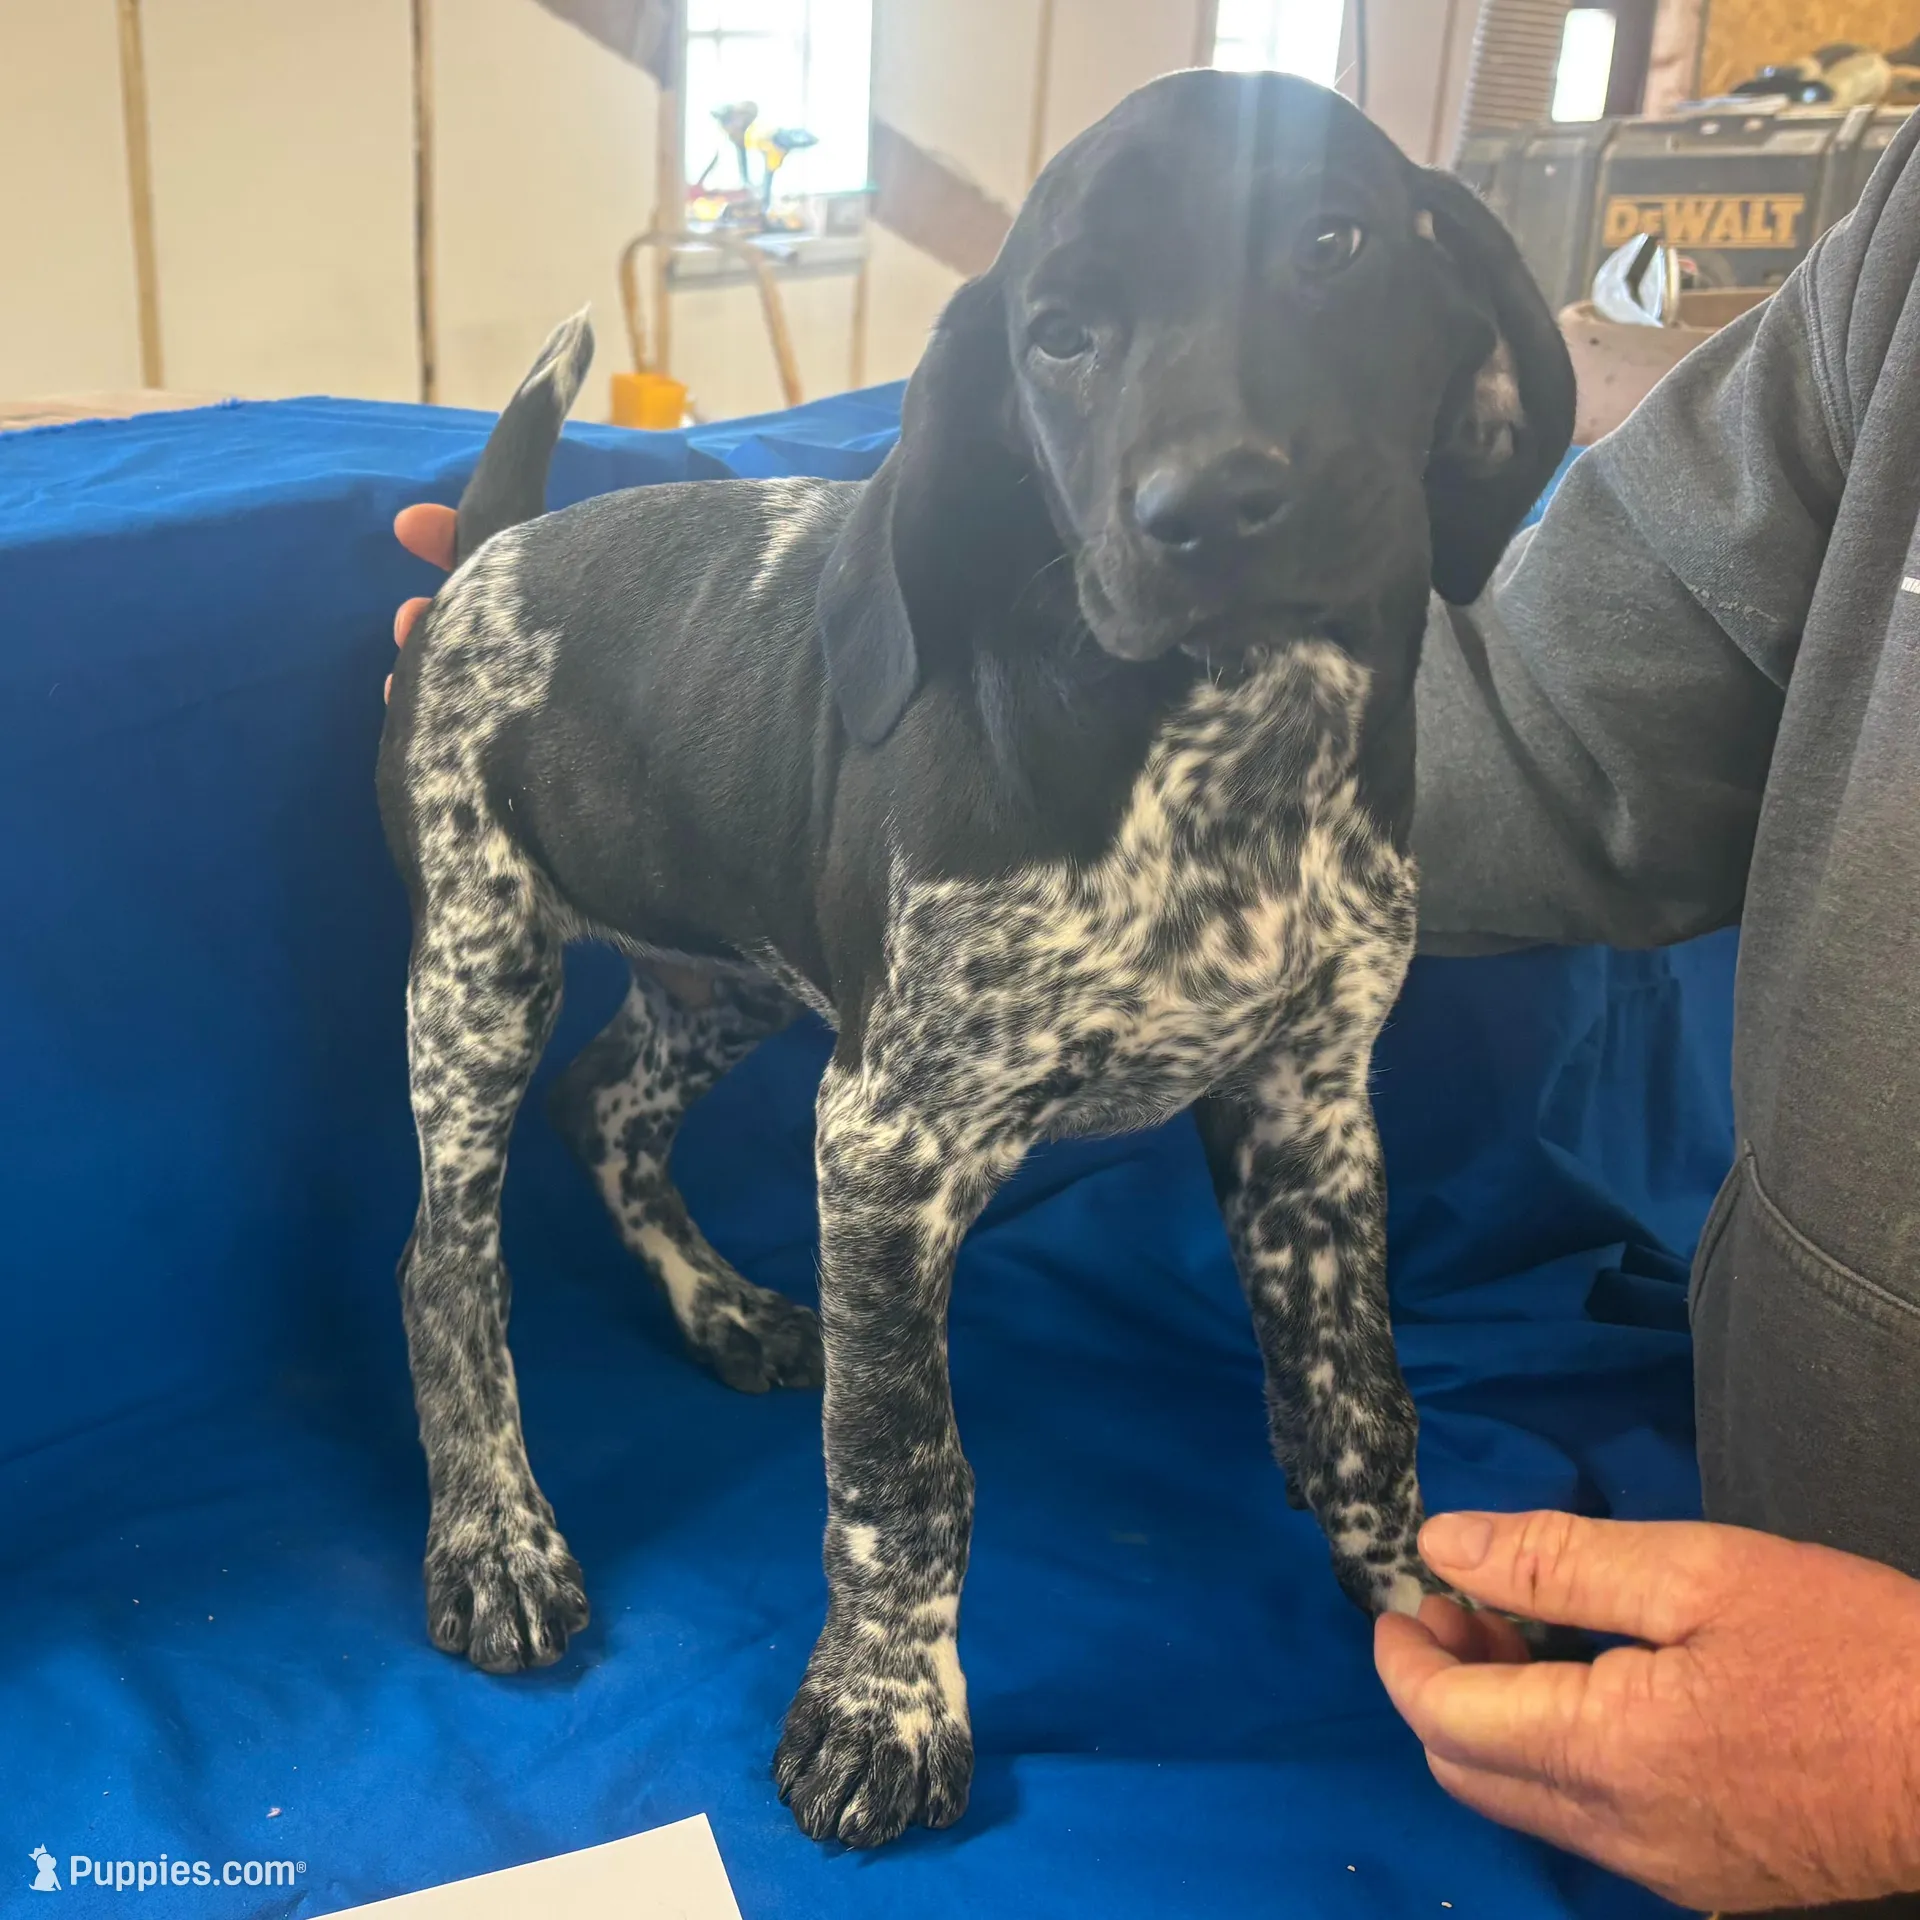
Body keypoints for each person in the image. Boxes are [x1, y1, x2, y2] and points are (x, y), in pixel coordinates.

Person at [382, 115, 1920, 1913]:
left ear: (1471, 351)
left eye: (1326, 251)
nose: (1214, 448)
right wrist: (895, 1611)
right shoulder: (1884, 267)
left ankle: (1353, 1512)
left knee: (1292, 1119)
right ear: (994, 428)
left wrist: (1388, 1523)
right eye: (1077, 333)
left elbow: (1302, 1117)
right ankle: (503, 1457)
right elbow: (885, 1156)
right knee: (472, 1109)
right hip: (553, 672)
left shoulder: (1356, 766)